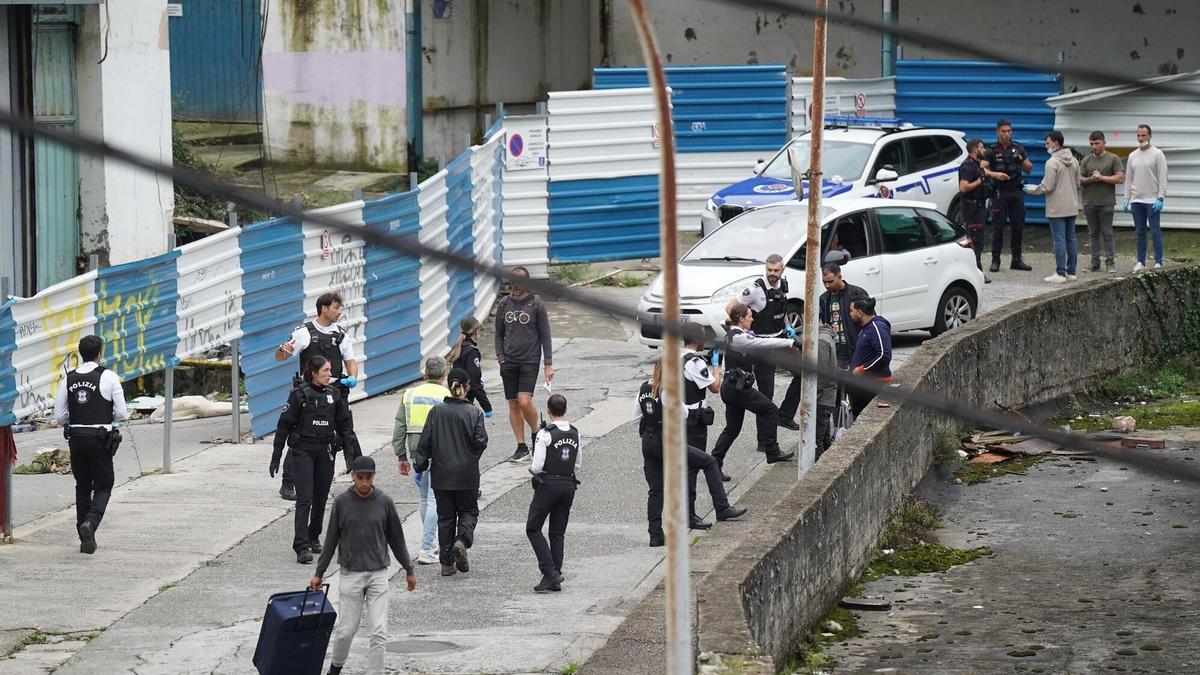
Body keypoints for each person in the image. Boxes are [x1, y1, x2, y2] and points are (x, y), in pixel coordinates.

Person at [311, 456, 416, 675]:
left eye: (368, 478)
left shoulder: (384, 502)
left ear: (374, 477)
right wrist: (319, 573)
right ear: (353, 477)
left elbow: (396, 539)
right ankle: (335, 668)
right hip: (351, 574)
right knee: (346, 630)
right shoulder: (342, 503)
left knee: (379, 631)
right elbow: (330, 540)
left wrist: (409, 569)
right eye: (360, 478)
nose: (365, 483)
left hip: (378, 573)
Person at [634, 358, 747, 547]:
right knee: (709, 462)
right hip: (667, 440)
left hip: (648, 442)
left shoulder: (644, 387)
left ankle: (655, 534)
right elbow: (683, 414)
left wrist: (652, 420)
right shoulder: (667, 390)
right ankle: (722, 507)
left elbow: (635, 417)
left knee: (656, 490)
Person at [270, 355, 361, 564]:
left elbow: (345, 428)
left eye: (330, 370)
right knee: (305, 499)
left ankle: (313, 537)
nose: (330, 374)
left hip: (325, 451)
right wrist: (276, 457)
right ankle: (301, 546)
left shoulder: (334, 395)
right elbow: (283, 427)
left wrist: (350, 456)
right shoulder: (298, 395)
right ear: (313, 373)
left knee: (321, 498)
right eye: (325, 371)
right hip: (303, 451)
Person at [274, 292, 360, 500]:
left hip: (335, 392)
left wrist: (353, 377)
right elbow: (281, 356)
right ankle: (288, 483)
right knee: (302, 436)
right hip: (309, 394)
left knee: (346, 433)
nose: (340, 312)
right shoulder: (304, 333)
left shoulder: (341, 334)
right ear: (324, 308)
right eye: (336, 307)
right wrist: (282, 349)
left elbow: (350, 360)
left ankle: (359, 475)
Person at [53, 335, 129, 555]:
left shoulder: (68, 378)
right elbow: (122, 413)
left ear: (80, 353)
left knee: (83, 486)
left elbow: (59, 415)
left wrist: (76, 420)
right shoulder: (109, 376)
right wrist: (109, 420)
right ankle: (91, 522)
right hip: (100, 438)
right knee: (104, 485)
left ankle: (85, 538)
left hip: (76, 438)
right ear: (99, 354)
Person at [412, 368, 488, 577]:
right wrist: (470, 458)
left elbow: (425, 442)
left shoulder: (436, 412)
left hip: (441, 474)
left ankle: (446, 564)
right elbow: (481, 441)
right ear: (467, 387)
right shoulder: (474, 413)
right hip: (467, 474)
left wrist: (419, 465)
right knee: (469, 511)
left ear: (449, 385)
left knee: (445, 518)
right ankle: (461, 540)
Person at [710, 301, 797, 475]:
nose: (752, 319)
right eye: (749, 317)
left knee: (732, 429)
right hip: (737, 389)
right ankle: (772, 451)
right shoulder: (739, 338)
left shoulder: (733, 335)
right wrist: (789, 342)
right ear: (741, 319)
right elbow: (761, 342)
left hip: (732, 387)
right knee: (770, 410)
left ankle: (714, 464)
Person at [392, 356, 450, 565]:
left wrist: (401, 455)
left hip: (417, 449)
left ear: (426, 373)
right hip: (439, 448)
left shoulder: (410, 394)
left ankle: (431, 542)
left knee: (425, 496)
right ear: (443, 373)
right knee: (435, 498)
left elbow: (400, 425)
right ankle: (427, 547)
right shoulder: (447, 394)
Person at [495, 266, 553, 463]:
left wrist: (548, 363)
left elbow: (545, 335)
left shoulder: (536, 304)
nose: (516, 285)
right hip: (508, 361)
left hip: (529, 360)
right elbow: (498, 333)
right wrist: (500, 356)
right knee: (513, 403)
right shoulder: (504, 304)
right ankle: (521, 447)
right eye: (513, 281)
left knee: (524, 401)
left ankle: (536, 433)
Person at [737, 254, 797, 437]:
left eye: (776, 270)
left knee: (806, 372)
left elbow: (779, 312)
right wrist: (741, 331)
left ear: (782, 270)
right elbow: (731, 308)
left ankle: (784, 416)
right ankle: (764, 441)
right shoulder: (755, 290)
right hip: (762, 345)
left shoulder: (782, 285)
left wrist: (787, 326)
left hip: (780, 340)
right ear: (765, 268)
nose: (772, 273)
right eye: (769, 270)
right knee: (766, 395)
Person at [525, 394, 579, 592]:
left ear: (548, 410)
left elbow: (537, 466)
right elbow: (577, 463)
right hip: (568, 484)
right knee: (557, 532)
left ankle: (550, 572)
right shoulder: (575, 432)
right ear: (566, 409)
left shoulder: (545, 433)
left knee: (533, 528)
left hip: (548, 484)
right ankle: (555, 574)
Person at [1025, 130, 1081, 284]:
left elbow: (1047, 186)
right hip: (1071, 204)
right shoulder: (1074, 160)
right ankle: (1071, 272)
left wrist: (1032, 190)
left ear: (1056, 143)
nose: (1046, 146)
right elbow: (1078, 182)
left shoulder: (1052, 162)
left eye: (1047, 143)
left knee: (1059, 239)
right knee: (1071, 238)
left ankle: (1060, 273)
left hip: (1056, 207)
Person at [982, 119, 1034, 272]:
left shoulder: (1018, 148)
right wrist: (995, 174)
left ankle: (1016, 260)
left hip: (1016, 191)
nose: (1006, 134)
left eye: (1009, 131)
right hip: (999, 192)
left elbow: (1029, 169)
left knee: (1018, 226)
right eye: (1003, 131)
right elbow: (981, 169)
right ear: (997, 132)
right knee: (998, 227)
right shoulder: (991, 150)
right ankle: (995, 260)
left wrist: (1021, 160)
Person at [1124, 124, 1169, 271]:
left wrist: (1160, 197)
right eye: (1138, 135)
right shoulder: (1132, 155)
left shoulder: (1157, 154)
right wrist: (1126, 199)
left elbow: (1162, 177)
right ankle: (1141, 262)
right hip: (1136, 200)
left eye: (1144, 135)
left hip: (1152, 200)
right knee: (1140, 232)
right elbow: (1129, 179)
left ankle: (1158, 262)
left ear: (1150, 136)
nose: (1141, 138)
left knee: (1155, 231)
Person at [1079, 131, 1124, 273]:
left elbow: (1120, 178)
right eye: (1091, 144)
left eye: (1097, 143)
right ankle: (1095, 263)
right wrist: (1092, 179)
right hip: (1089, 201)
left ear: (1104, 142)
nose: (1094, 146)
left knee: (1107, 233)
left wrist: (1102, 178)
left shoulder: (1113, 158)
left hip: (1106, 202)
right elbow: (1079, 179)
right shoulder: (1086, 160)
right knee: (1093, 233)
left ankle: (1110, 263)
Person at [846, 298, 893, 417]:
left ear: (859, 313)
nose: (850, 314)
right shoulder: (865, 328)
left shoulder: (877, 327)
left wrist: (861, 369)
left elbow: (884, 355)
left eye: (851, 311)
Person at [819, 263, 870, 369]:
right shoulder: (823, 299)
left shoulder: (856, 293)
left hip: (857, 353)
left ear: (840, 277)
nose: (827, 285)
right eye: (824, 282)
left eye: (830, 281)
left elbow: (870, 321)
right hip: (836, 356)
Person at [958, 138, 991, 277]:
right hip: (972, 210)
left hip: (979, 208)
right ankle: (976, 273)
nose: (984, 150)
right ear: (975, 150)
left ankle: (977, 271)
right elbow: (963, 187)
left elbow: (985, 173)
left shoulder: (976, 164)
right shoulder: (968, 167)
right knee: (974, 242)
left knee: (978, 241)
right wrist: (979, 181)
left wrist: (996, 175)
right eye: (982, 148)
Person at [449, 316, 493, 417]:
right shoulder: (471, 352)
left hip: (455, 397)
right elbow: (474, 381)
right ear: (476, 331)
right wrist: (487, 407)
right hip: (465, 401)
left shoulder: (458, 349)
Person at [814, 323, 838, 460]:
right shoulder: (827, 337)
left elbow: (822, 373)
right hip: (827, 395)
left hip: (823, 396)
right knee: (824, 436)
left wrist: (814, 396)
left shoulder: (821, 340)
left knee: (817, 439)